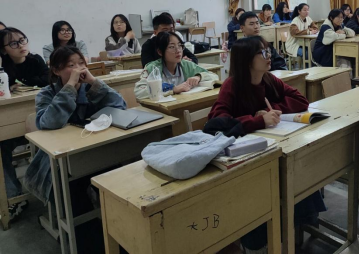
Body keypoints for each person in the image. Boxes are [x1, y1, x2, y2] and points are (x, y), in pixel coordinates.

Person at [207, 36, 325, 253]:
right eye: (262, 53)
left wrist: (274, 110)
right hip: (244, 157)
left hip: (273, 145)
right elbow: (217, 123)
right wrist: (257, 119)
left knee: (298, 167)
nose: (269, 56)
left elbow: (301, 101)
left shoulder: (268, 79)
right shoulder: (232, 85)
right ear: (246, 60)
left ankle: (293, 222)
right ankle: (264, 233)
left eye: (268, 51)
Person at [25, 46, 126, 204]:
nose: (79, 69)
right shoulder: (46, 93)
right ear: (56, 71)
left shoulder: (90, 87)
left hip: (95, 148)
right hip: (62, 157)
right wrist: (70, 87)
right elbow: (49, 123)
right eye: (71, 65)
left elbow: (120, 106)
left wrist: (93, 82)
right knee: (74, 195)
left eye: (81, 63)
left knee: (116, 174)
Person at [0, 27, 49, 220]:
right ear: (4, 50)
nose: (21, 45)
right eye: (13, 43)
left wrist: (23, 82)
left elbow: (46, 80)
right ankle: (15, 197)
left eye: (22, 40)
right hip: (11, 124)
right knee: (2, 147)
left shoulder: (36, 60)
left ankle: (51, 189)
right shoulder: (3, 68)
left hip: (39, 120)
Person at [134, 32, 218, 100]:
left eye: (180, 46)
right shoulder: (152, 68)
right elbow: (138, 91)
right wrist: (172, 88)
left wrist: (198, 77)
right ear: (160, 52)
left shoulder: (186, 65)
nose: (178, 51)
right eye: (172, 47)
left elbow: (214, 76)